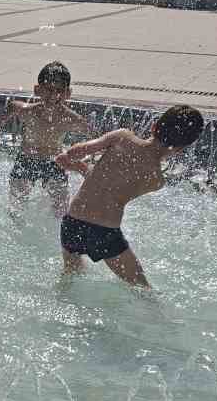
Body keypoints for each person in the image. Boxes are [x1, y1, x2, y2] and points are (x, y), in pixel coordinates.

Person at [53, 104, 205, 289]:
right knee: (142, 288)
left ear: (154, 126)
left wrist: (74, 161)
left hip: (72, 223)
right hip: (104, 233)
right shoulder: (156, 180)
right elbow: (116, 190)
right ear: (181, 149)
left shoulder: (122, 137)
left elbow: (81, 154)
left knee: (71, 276)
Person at [0, 61, 89, 216]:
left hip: (55, 162)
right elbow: (5, 114)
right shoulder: (27, 111)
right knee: (16, 209)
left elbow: (96, 137)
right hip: (26, 159)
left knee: (61, 211)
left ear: (68, 93)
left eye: (59, 90)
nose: (53, 96)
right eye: (48, 90)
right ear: (37, 89)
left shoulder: (72, 119)